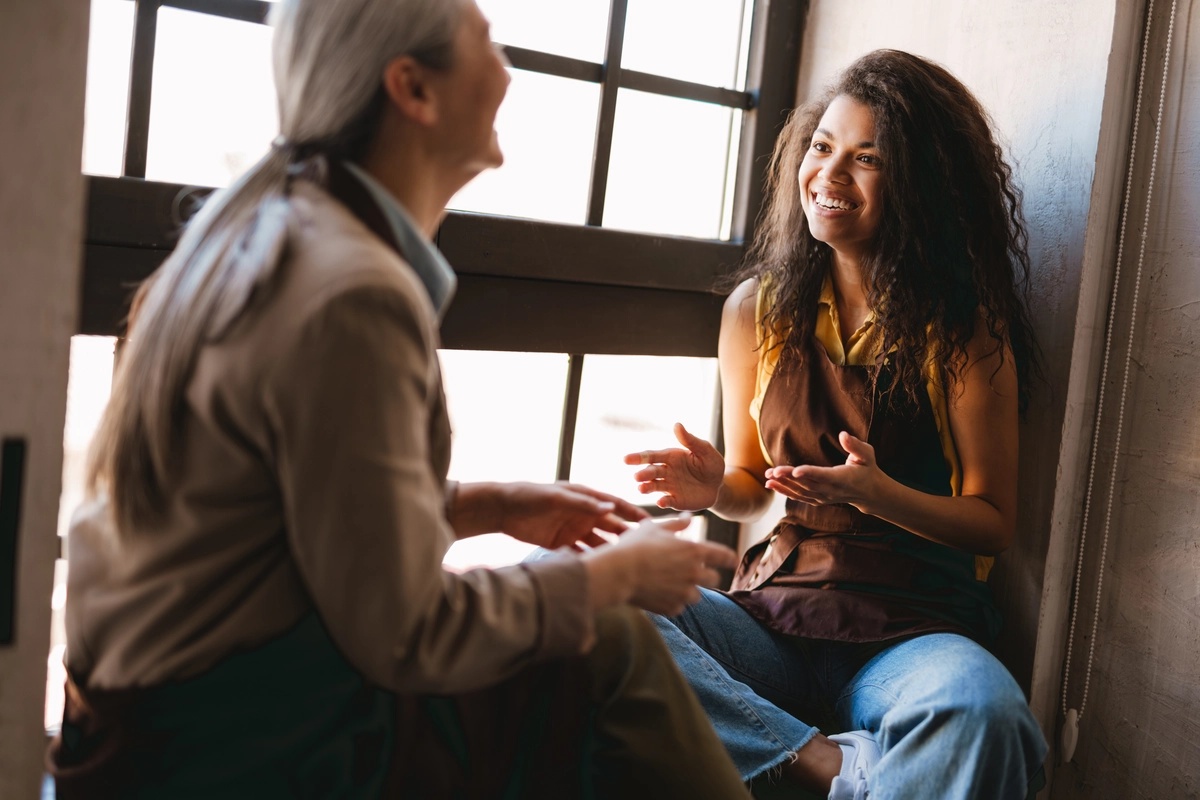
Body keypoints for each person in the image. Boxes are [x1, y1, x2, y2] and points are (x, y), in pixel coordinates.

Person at [46, 1, 751, 798]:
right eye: (485, 38)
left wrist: (492, 503)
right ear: (413, 89)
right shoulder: (351, 291)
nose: (509, 68)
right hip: (228, 741)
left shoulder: (264, 237)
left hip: (141, 713)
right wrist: (612, 580)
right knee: (608, 641)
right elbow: (408, 635)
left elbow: (283, 522)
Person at [625, 49, 1049, 799]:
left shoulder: (963, 333)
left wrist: (878, 494)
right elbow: (753, 491)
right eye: (822, 147)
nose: (829, 175)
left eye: (866, 159)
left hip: (910, 633)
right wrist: (708, 489)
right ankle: (823, 762)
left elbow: (993, 523)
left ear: (918, 185)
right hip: (776, 619)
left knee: (988, 713)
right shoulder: (755, 310)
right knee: (599, 602)